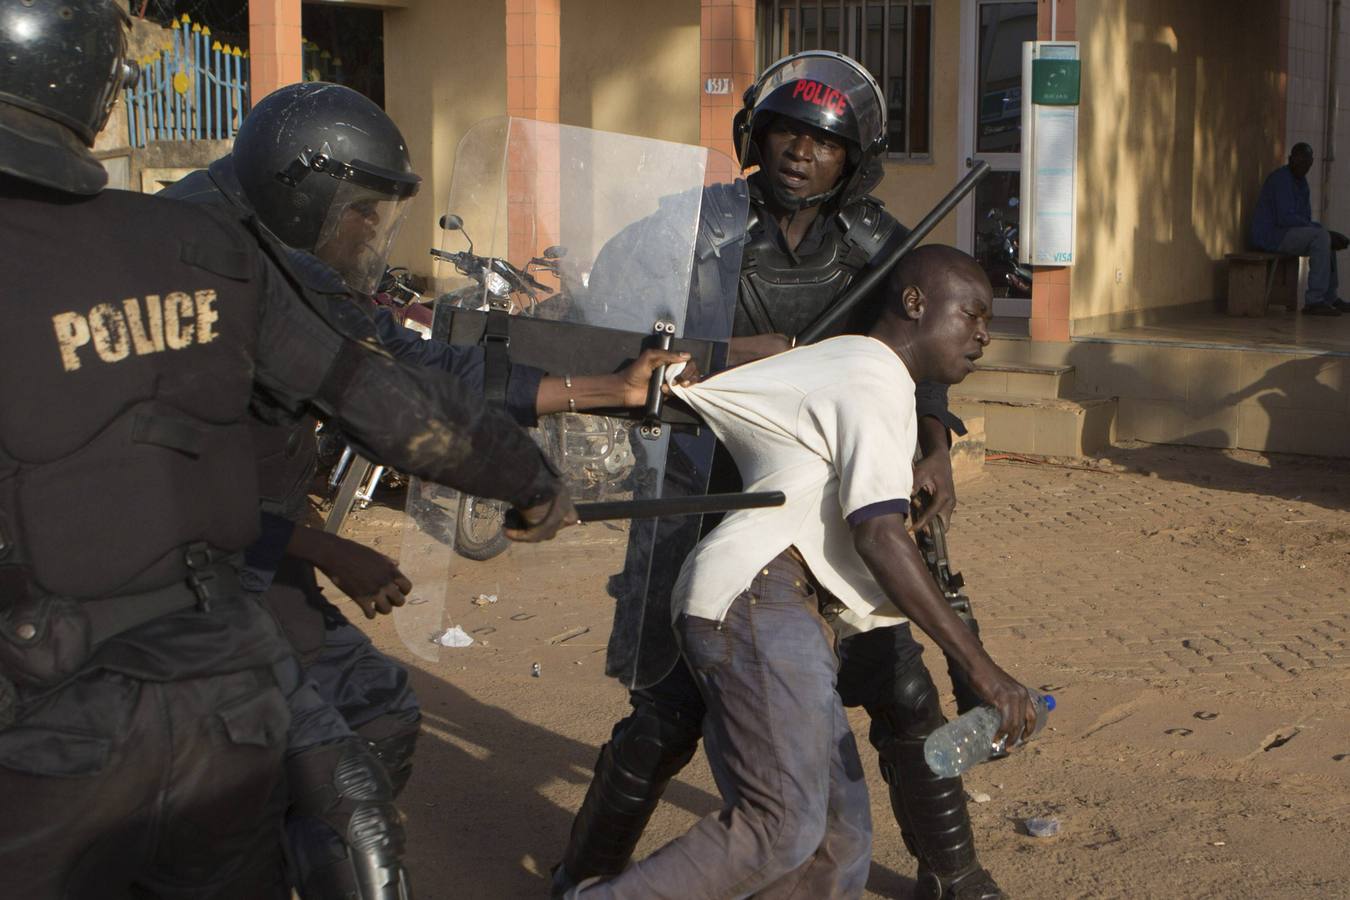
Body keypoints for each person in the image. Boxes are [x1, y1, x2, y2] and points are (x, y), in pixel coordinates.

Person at [0, 3, 575, 897]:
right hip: (221, 688)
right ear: (98, 93)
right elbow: (382, 398)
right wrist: (529, 481)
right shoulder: (195, 246)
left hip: (42, 714)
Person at [161, 81, 694, 898]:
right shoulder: (210, 275)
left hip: (255, 553)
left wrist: (605, 388)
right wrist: (510, 481)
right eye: (364, 212)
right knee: (327, 794)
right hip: (180, 581)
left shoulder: (276, 244)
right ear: (307, 192)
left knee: (376, 714)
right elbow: (173, 493)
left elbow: (414, 364)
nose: (374, 232)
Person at [556, 51, 1005, 900]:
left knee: (905, 690)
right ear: (755, 135)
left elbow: (927, 357)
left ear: (853, 157)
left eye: (825, 141)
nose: (802, 152)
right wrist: (726, 356)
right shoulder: (684, 228)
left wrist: (936, 435)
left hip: (834, 492)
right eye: (787, 131)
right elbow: (612, 337)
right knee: (666, 706)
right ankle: (584, 875)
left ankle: (956, 875)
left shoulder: (878, 243)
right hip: (703, 483)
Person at [1251, 142, 1350, 316]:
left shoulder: (1301, 183)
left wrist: (1326, 232)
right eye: (1300, 161)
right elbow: (1285, 218)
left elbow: (1304, 220)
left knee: (1326, 239)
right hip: (1272, 235)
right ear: (1291, 159)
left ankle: (1329, 297)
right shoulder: (1280, 179)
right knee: (1322, 237)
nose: (1303, 166)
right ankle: (1314, 301)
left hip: (1286, 233)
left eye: (1307, 164)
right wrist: (1322, 231)